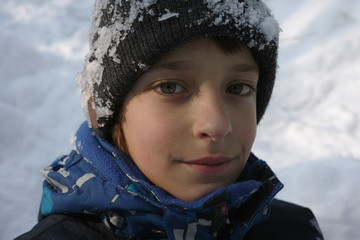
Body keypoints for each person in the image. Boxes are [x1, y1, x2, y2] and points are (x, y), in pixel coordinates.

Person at [16, 0, 324, 239]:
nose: (217, 125)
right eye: (170, 87)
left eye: (238, 88)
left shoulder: (295, 230)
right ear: (105, 111)